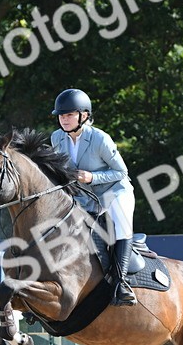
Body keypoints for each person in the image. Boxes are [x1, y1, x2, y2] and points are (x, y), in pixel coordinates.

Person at [49, 88, 137, 306]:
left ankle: (121, 282)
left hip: (114, 191)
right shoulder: (57, 138)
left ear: (84, 115)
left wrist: (92, 177)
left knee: (121, 223)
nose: (64, 119)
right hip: (85, 198)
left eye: (69, 115)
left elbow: (121, 172)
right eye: (61, 115)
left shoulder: (99, 138)